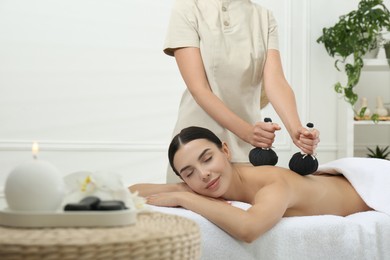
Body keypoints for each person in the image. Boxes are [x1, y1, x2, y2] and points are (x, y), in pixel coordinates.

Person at [163, 0, 320, 182]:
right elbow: (199, 89)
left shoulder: (264, 17)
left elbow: (276, 81)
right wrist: (247, 132)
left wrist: (297, 130)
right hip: (197, 147)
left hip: (249, 147)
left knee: (247, 209)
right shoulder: (187, 8)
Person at [130, 126, 371, 243]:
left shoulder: (274, 183)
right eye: (189, 173)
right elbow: (131, 191)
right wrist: (181, 188)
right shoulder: (206, 181)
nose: (203, 174)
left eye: (207, 158)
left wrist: (185, 197)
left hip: (367, 189)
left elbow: (248, 229)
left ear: (225, 150)